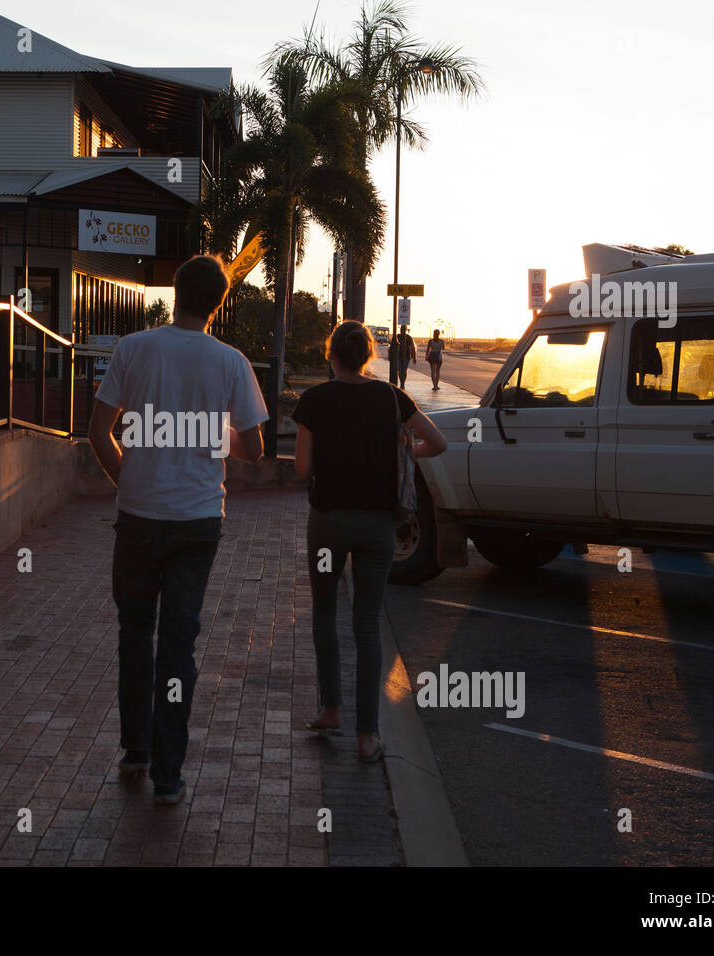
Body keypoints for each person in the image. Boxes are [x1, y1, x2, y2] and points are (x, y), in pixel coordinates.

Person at [88, 255, 270, 805]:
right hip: (197, 521)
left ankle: (135, 750)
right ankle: (169, 774)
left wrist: (128, 479)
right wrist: (215, 435)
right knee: (178, 645)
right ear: (218, 304)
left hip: (139, 516)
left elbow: (98, 430)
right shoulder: (232, 362)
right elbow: (256, 449)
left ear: (175, 293)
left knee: (134, 634)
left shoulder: (133, 349)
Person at [292, 321, 447, 762]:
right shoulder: (390, 397)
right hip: (378, 529)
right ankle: (367, 736)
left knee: (325, 614)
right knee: (366, 625)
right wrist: (404, 453)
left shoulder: (314, 401)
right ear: (368, 356)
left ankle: (330, 710)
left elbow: (303, 470)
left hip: (327, 526)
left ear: (331, 355)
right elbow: (437, 442)